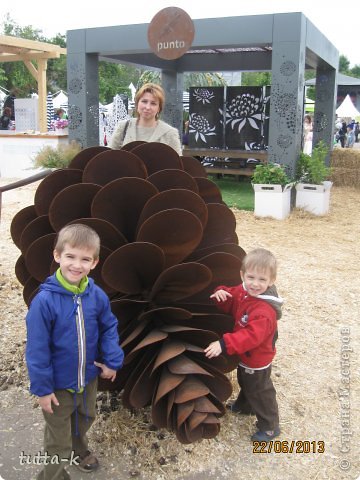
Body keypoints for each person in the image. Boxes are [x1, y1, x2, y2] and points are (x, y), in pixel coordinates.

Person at [25, 223, 124, 480]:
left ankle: (78, 451)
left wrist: (112, 360)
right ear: (57, 256)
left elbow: (109, 326)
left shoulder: (96, 295)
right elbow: (37, 349)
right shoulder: (44, 302)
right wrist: (43, 389)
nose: (76, 265)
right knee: (57, 438)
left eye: (85, 259)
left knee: (85, 417)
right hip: (57, 385)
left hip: (87, 378)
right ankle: (53, 475)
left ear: (94, 262)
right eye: (70, 256)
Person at [204, 248, 283, 442]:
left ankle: (270, 426)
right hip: (246, 357)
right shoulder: (245, 290)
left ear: (271, 281)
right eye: (251, 277)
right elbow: (233, 296)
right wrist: (221, 293)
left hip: (257, 359)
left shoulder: (264, 311)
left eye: (262, 280)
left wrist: (224, 343)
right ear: (242, 275)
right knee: (246, 381)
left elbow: (251, 336)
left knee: (260, 390)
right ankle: (246, 407)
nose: (255, 284)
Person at [109, 83, 182, 155]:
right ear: (137, 103)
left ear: (159, 108)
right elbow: (109, 157)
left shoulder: (170, 133)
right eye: (144, 101)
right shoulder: (124, 127)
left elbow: (177, 163)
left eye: (153, 103)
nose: (147, 107)